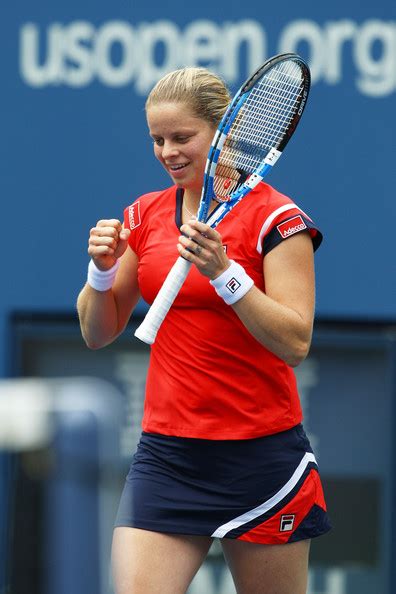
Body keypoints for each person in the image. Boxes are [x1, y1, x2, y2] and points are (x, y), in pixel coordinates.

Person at [77, 66, 331, 594]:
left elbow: (296, 342)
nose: (167, 151)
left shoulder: (279, 221)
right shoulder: (143, 216)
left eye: (182, 137)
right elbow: (97, 333)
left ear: (225, 133)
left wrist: (226, 275)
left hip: (262, 460)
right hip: (167, 458)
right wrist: (100, 274)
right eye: (156, 139)